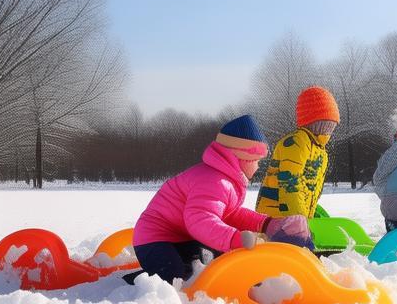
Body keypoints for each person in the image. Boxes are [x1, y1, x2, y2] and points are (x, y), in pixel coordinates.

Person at [131, 115, 311, 282]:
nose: (257, 166)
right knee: (174, 276)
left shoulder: (226, 180)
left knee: (210, 259)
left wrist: (266, 224)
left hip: (181, 237)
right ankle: (132, 285)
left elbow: (230, 214)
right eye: (256, 160)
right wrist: (234, 238)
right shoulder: (213, 181)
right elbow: (200, 220)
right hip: (154, 238)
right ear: (243, 158)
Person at [256, 86, 339, 230]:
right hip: (277, 216)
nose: (330, 128)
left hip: (294, 216)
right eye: (326, 123)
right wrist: (299, 220)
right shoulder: (297, 143)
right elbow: (290, 184)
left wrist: (311, 213)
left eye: (332, 124)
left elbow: (308, 188)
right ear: (313, 121)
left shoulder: (320, 150)